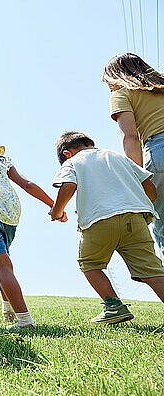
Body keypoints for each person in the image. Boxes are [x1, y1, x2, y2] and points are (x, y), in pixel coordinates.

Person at [50, 132, 164, 324]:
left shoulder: (73, 162)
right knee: (151, 269)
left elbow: (68, 185)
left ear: (67, 153)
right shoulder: (117, 156)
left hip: (99, 219)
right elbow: (149, 187)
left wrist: (57, 212)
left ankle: (114, 306)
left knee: (90, 263)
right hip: (135, 219)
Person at [0, 135, 65, 330]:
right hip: (10, 215)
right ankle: (8, 309)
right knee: (3, 264)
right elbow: (27, 184)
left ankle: (24, 321)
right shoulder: (1, 160)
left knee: (2, 265)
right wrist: (53, 205)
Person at [104, 53, 164, 255]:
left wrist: (138, 177)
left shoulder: (121, 95)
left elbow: (131, 137)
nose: (110, 88)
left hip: (159, 150)